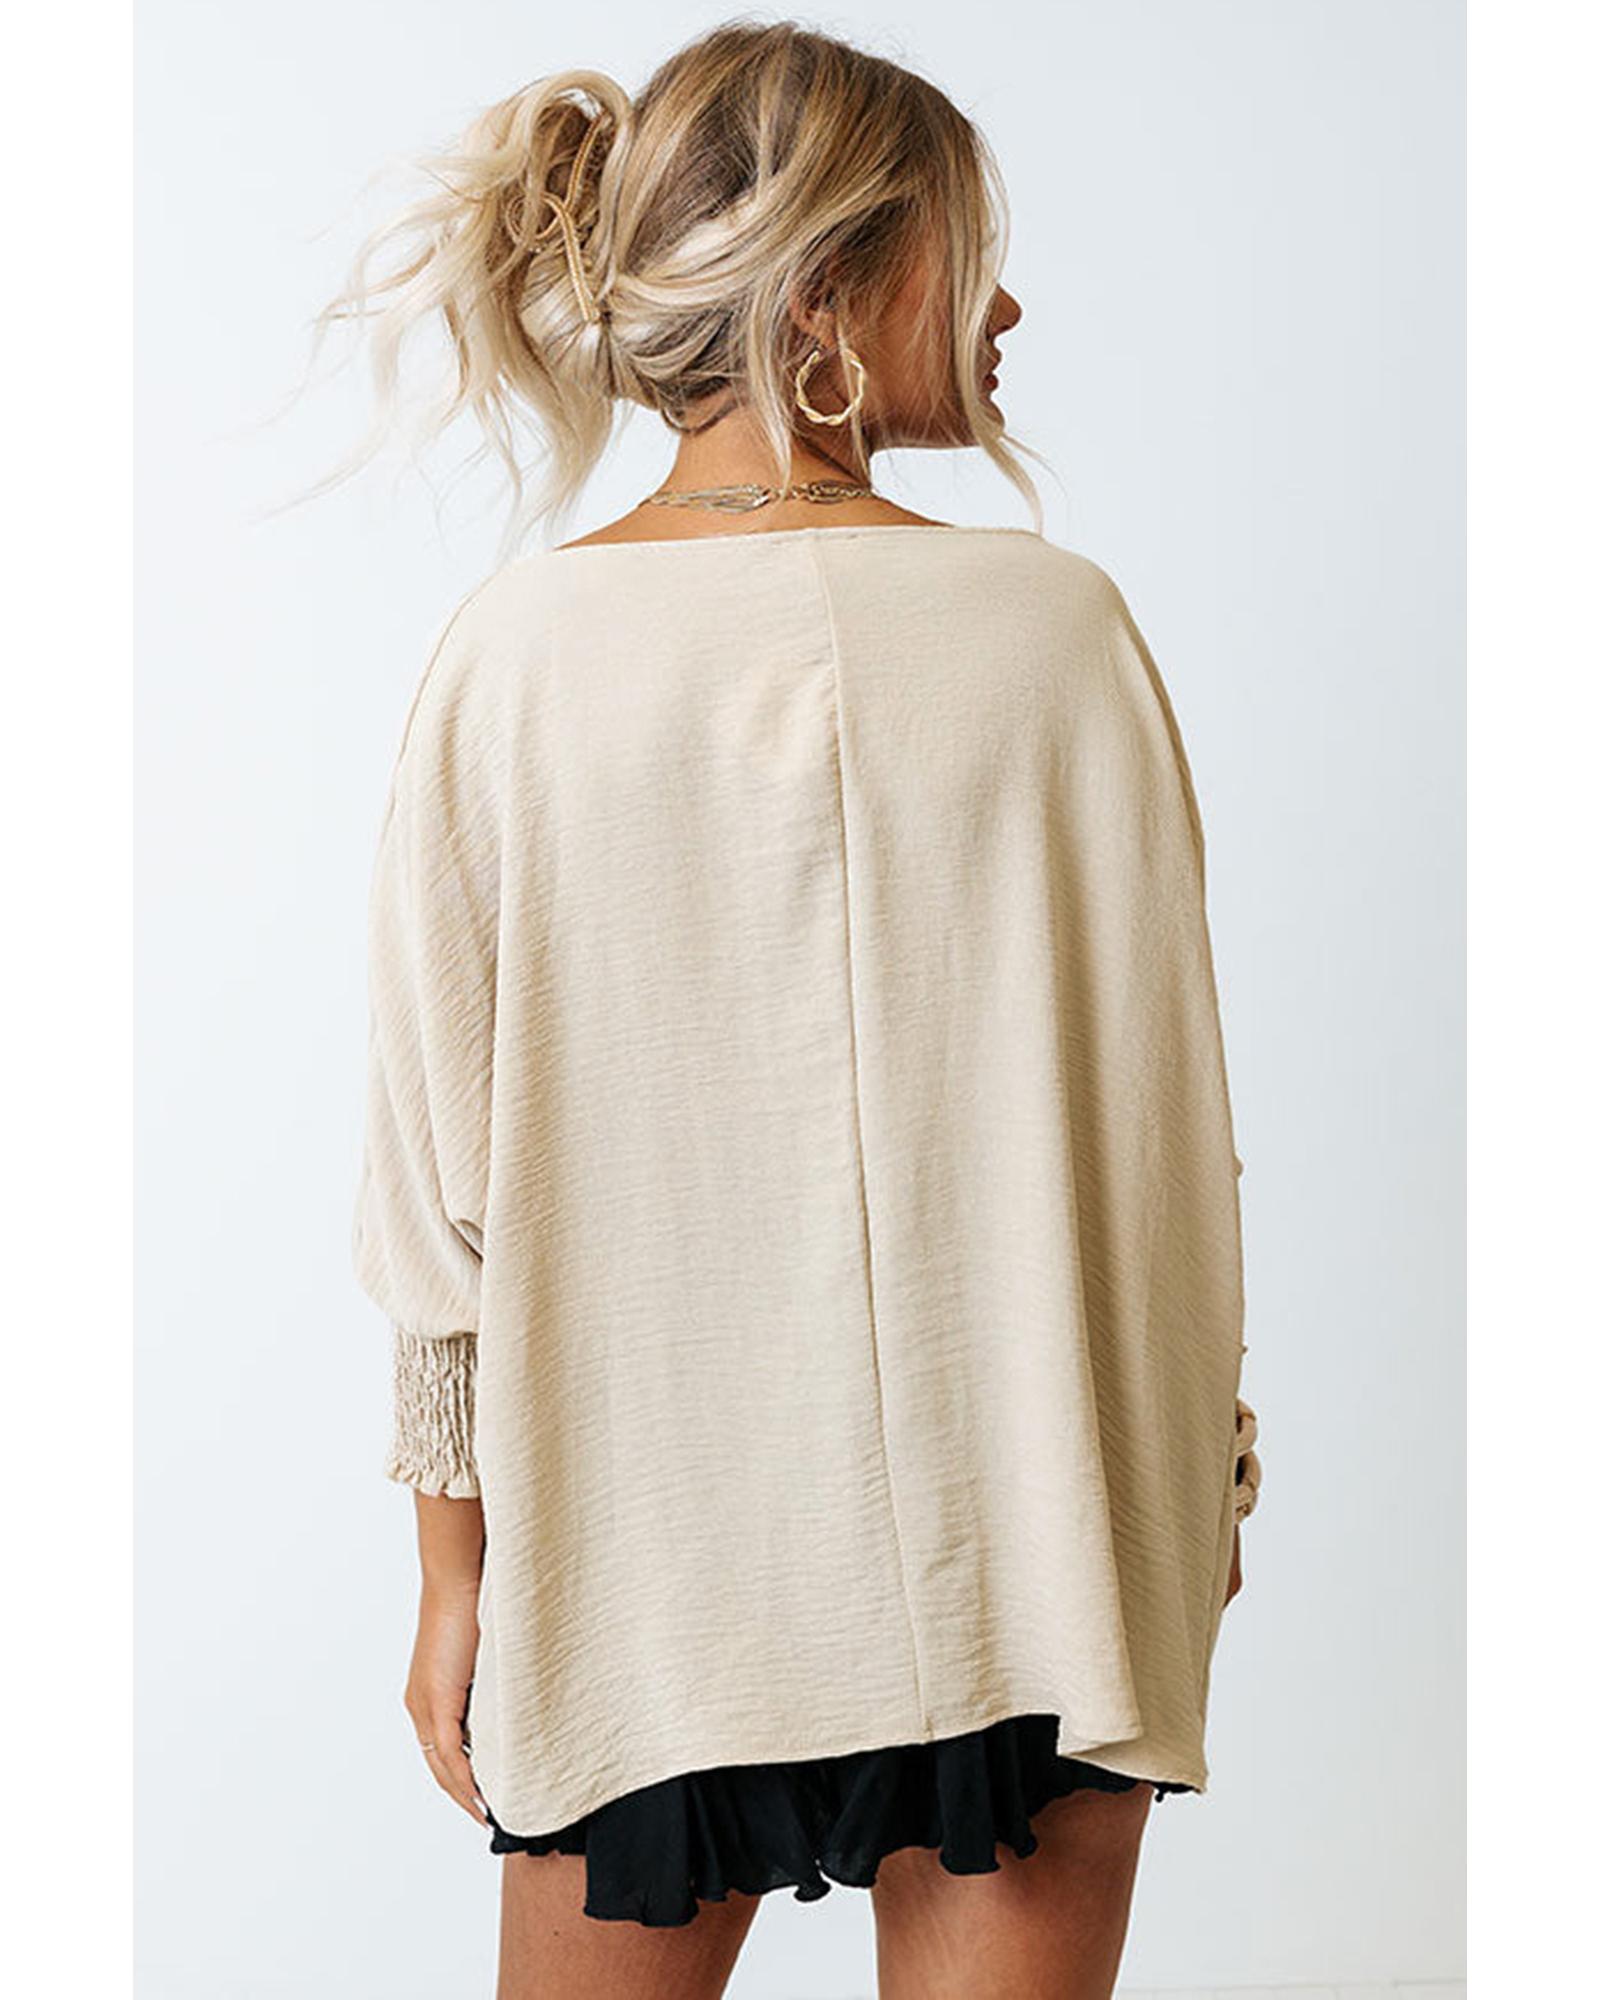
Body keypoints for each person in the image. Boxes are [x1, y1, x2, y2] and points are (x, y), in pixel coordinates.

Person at [323, 19, 1263, 1998]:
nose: (1006, 308)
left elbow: (436, 1177)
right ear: (827, 286)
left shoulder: (515, 656)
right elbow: (1166, 1144)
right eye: (966, 256)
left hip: (642, 1562)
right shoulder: (1059, 632)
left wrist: (453, 1570)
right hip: (1030, 1545)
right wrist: (1198, 1486)